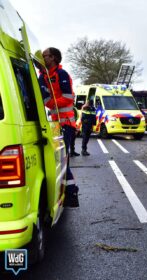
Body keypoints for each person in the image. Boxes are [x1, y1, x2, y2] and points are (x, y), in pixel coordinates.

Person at [38, 47, 79, 207]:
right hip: (56, 124)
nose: (43, 58)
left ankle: (71, 192)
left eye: (45, 56)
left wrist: (51, 102)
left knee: (63, 160)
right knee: (61, 160)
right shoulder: (45, 75)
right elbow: (46, 98)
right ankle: (69, 192)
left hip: (66, 124)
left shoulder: (61, 74)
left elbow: (68, 98)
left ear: (53, 58)